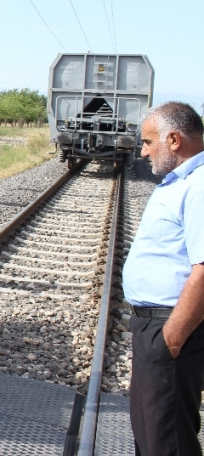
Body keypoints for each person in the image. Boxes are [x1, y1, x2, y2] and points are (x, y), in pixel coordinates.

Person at [121, 102, 204, 456]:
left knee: (167, 443)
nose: (143, 151)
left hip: (170, 329)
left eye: (148, 142)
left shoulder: (199, 187)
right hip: (154, 327)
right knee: (151, 435)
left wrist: (172, 338)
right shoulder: (184, 182)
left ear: (173, 139)